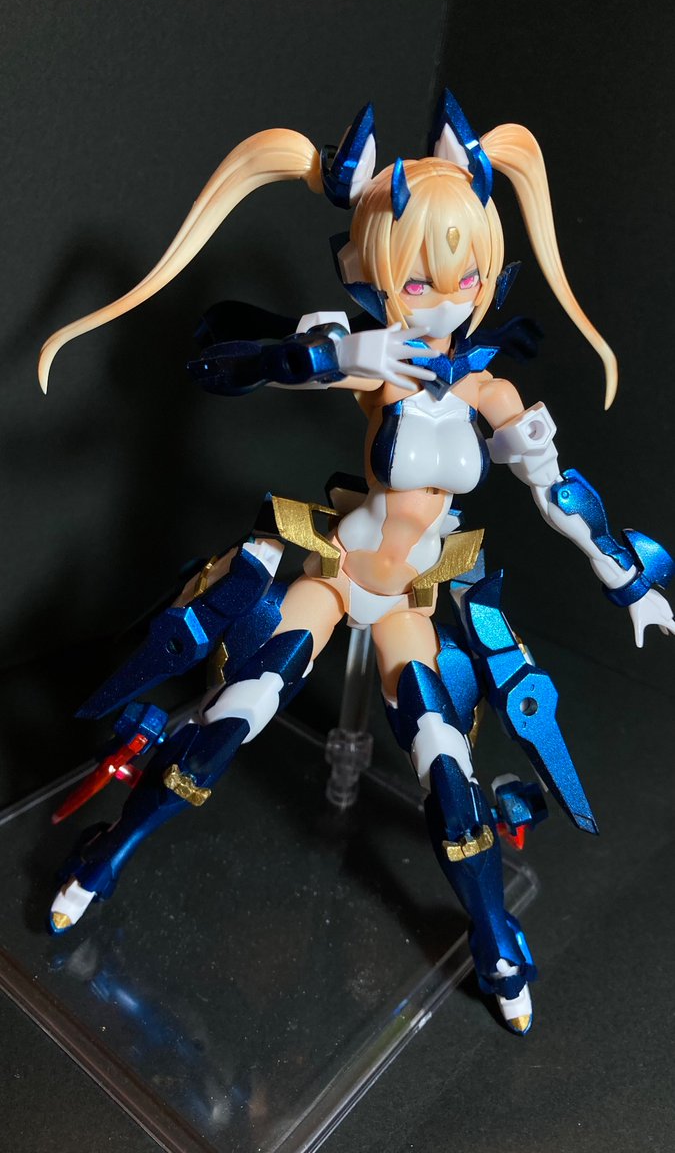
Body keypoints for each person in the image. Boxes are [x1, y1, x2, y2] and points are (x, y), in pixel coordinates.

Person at [40, 90, 674, 1035]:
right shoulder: (374, 363)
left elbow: (555, 490)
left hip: (411, 597)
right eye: (417, 281)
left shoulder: (489, 390)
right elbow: (220, 368)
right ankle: (105, 857)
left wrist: (622, 576)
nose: (443, 299)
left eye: (462, 277)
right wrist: (331, 354)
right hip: (337, 573)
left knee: (449, 776)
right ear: (373, 274)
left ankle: (494, 940)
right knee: (231, 719)